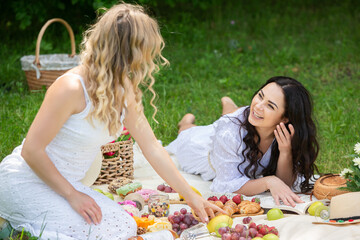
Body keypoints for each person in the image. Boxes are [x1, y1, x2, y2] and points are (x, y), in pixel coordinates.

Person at [0, 3, 223, 240]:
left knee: (124, 226)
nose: (149, 60)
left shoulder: (123, 87)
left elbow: (152, 148)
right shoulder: (70, 87)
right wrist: (72, 195)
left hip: (68, 184)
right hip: (28, 182)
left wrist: (192, 196)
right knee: (106, 232)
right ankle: (13, 228)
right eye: (146, 51)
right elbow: (31, 151)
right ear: (129, 52)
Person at [165, 76, 319, 207]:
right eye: (260, 95)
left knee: (236, 117)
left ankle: (229, 105)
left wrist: (285, 151)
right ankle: (185, 122)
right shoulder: (229, 132)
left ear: (285, 118)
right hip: (199, 151)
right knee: (187, 133)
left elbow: (285, 184)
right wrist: (268, 182)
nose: (258, 105)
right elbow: (226, 185)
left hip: (237, 128)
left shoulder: (285, 133)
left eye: (270, 105)